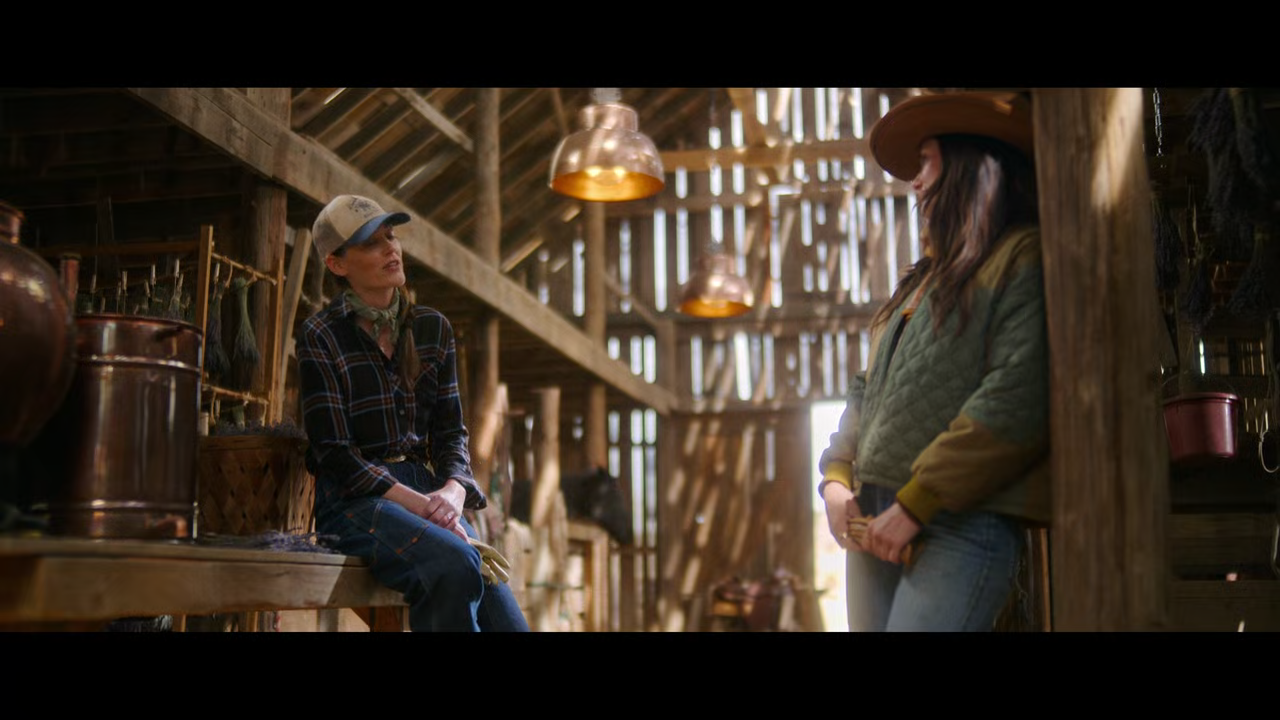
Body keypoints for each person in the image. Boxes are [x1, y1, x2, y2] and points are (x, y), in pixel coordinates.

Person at [816, 91, 1050, 632]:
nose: (915, 182)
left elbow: (1018, 394)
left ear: (968, 163)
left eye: (925, 163)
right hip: (873, 519)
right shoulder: (918, 283)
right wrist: (835, 477)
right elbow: (866, 389)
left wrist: (918, 503)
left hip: (957, 523)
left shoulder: (1019, 255)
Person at [297, 193, 529, 632]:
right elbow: (335, 455)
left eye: (391, 236)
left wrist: (453, 494)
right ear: (337, 264)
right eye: (371, 243)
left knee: (508, 623)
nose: (391, 248)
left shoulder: (431, 328)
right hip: (354, 503)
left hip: (429, 493)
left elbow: (451, 436)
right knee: (455, 565)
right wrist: (421, 505)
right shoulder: (320, 336)